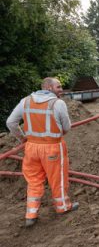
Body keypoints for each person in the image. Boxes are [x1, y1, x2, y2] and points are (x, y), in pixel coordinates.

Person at [6, 77, 79, 227]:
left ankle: (31, 214)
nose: (61, 89)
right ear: (49, 88)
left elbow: (10, 123)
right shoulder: (58, 103)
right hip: (52, 147)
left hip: (31, 148)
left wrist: (23, 139)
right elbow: (66, 128)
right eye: (58, 87)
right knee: (57, 179)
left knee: (33, 181)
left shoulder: (25, 101)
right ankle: (63, 207)